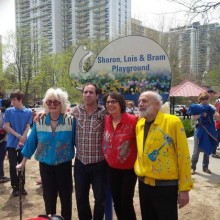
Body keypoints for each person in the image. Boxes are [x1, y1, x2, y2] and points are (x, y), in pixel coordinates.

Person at [16, 88, 75, 220]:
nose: (52, 104)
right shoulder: (40, 121)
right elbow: (31, 143)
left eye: (56, 102)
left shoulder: (71, 121)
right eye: (49, 102)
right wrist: (23, 162)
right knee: (49, 198)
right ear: (45, 104)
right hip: (45, 166)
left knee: (66, 198)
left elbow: (78, 142)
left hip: (64, 165)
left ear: (62, 104)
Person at [134, 91, 193, 220]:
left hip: (166, 186)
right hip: (144, 184)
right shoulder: (140, 124)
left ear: (156, 104)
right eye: (139, 101)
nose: (140, 104)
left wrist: (184, 189)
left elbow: (183, 156)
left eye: (144, 101)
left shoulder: (172, 122)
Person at [72, 83, 107, 220]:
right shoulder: (75, 111)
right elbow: (57, 114)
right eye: (85, 92)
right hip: (80, 163)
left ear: (97, 95)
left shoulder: (104, 113)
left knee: (100, 200)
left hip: (99, 164)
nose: (87, 95)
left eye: (91, 92)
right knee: (81, 199)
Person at [102, 92, 137, 220]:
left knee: (126, 202)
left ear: (121, 103)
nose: (110, 104)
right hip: (112, 168)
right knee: (117, 202)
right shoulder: (107, 120)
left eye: (114, 101)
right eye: (108, 102)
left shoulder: (133, 120)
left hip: (129, 169)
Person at [4, 90, 32, 196]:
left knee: (21, 165)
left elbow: (28, 126)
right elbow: (6, 126)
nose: (12, 102)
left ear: (20, 100)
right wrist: (18, 136)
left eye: (14, 100)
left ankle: (21, 187)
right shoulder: (9, 111)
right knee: (12, 166)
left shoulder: (28, 112)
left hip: (22, 143)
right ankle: (15, 187)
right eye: (11, 100)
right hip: (11, 143)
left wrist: (24, 137)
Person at [189, 92, 218, 174]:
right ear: (200, 99)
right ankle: (192, 167)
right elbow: (193, 117)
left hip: (209, 131)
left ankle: (205, 167)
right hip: (199, 131)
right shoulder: (196, 107)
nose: (205, 101)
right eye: (203, 99)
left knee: (207, 149)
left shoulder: (211, 107)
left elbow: (217, 116)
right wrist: (201, 115)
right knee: (196, 151)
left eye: (206, 99)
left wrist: (215, 116)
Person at [0, 107, 10, 183]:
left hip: (3, 139)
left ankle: (1, 175)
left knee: (1, 158)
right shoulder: (3, 114)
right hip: (2, 139)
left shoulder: (3, 114)